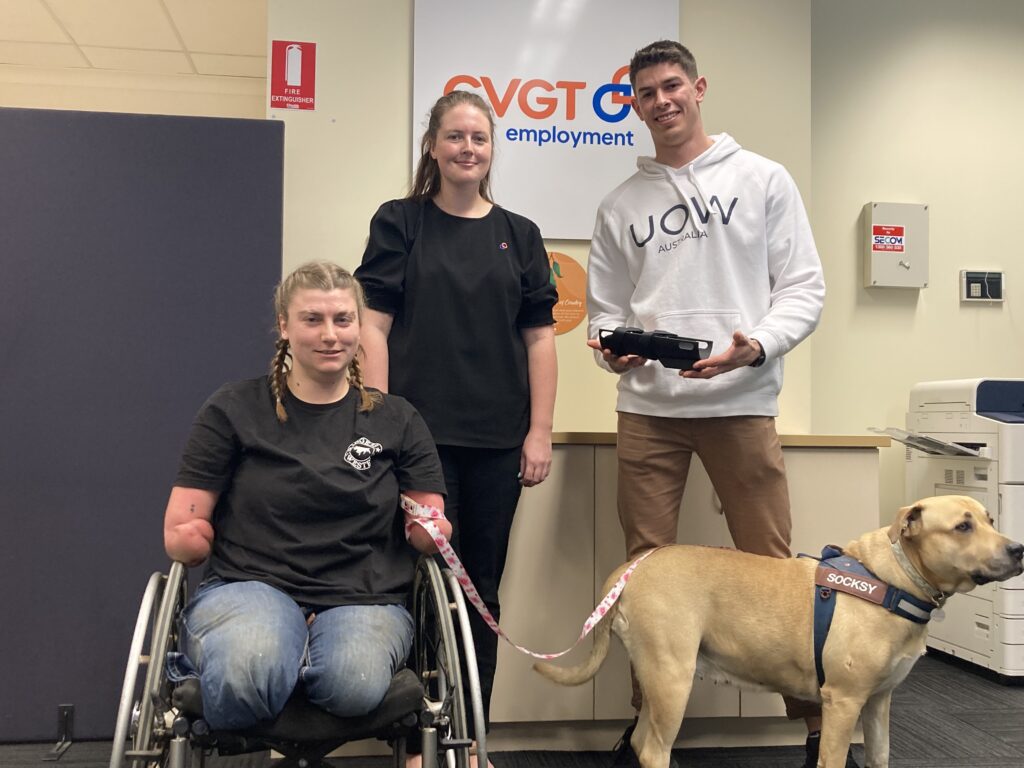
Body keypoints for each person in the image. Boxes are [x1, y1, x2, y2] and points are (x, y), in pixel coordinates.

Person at [584, 41, 845, 768]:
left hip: (742, 403)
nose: (662, 101)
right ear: (632, 105)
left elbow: (804, 289)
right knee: (645, 575)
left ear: (698, 87)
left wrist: (754, 346)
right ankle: (648, 734)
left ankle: (821, 732)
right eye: (646, 93)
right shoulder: (619, 204)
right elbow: (600, 313)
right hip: (647, 411)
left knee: (778, 576)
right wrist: (612, 346)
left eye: (673, 86)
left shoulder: (763, 179)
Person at [163, 261, 450, 731]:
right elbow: (180, 527)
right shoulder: (234, 408)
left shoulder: (395, 419)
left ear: (360, 326)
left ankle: (293, 654)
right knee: (248, 672)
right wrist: (187, 536)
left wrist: (431, 530)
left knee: (353, 684)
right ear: (284, 327)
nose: (330, 335)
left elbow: (428, 521)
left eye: (343, 319)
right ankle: (277, 653)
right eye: (312, 320)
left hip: (364, 596)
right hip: (250, 586)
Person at [355, 89, 558, 740]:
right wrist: (382, 424)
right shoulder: (400, 222)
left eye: (479, 137)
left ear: (491, 149)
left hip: (500, 444)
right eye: (456, 136)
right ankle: (416, 741)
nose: (468, 148)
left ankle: (472, 740)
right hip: (420, 447)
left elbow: (540, 341)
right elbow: (372, 327)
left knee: (481, 594)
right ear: (433, 146)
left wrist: (540, 431)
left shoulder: (520, 236)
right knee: (421, 588)